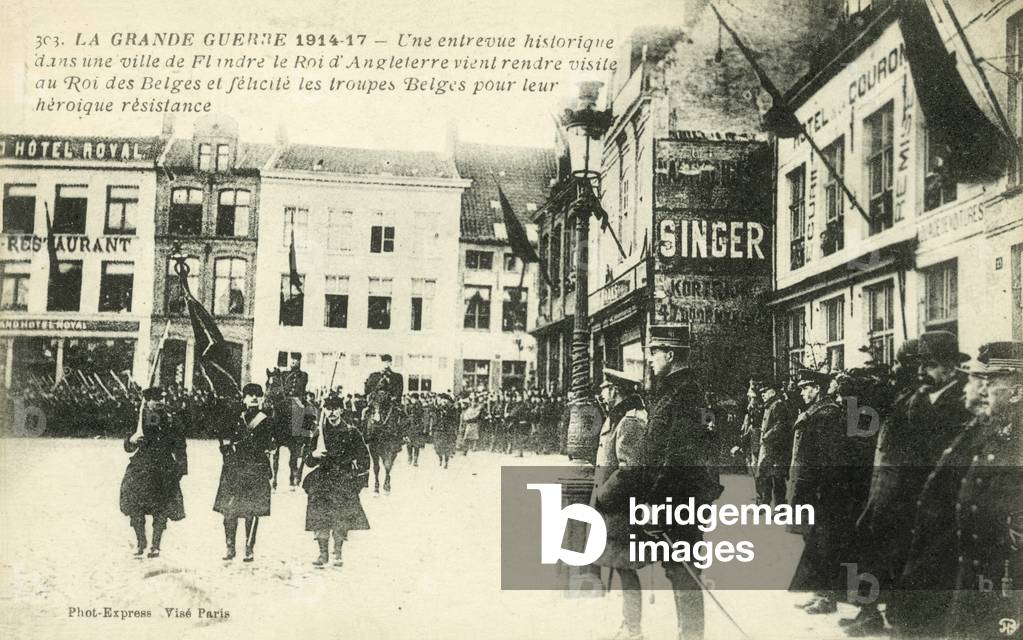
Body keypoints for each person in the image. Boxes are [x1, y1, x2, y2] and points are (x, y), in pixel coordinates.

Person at [636, 324, 719, 640]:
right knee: (680, 571)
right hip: (683, 497)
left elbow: (677, 457)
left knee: (683, 572)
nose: (651, 360)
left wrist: (654, 503)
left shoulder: (684, 394)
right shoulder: (683, 391)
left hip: (679, 499)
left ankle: (691, 636)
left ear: (670, 354)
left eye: (654, 353)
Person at [843, 339, 923, 635]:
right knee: (872, 549)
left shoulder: (913, 398)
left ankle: (879, 613)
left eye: (905, 364)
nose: (900, 369)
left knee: (885, 552)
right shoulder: (897, 393)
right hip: (883, 483)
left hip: (897, 487)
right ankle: (870, 611)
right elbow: (861, 426)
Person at [945, 341, 1023, 639]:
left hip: (1008, 576)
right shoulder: (994, 430)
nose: (982, 390)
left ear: (1016, 391)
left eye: (991, 383)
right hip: (979, 570)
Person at [591, 368, 649, 640]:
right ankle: (628, 624)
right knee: (621, 569)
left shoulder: (629, 422)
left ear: (615, 390)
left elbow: (631, 469)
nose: (601, 394)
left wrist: (604, 494)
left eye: (604, 389)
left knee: (626, 571)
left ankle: (633, 629)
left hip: (623, 511)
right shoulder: (617, 419)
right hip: (614, 511)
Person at [787, 367, 848, 615]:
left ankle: (827, 597)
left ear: (818, 389)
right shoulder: (814, 412)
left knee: (825, 544)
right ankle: (819, 592)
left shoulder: (827, 414)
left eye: (807, 388)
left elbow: (828, 459)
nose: (803, 392)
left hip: (819, 491)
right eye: (801, 388)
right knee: (812, 542)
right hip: (806, 489)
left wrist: (821, 491)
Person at [302, 395, 371, 568]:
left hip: (343, 479)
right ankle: (323, 553)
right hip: (322, 479)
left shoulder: (351, 431)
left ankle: (338, 552)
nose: (332, 412)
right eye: (328, 408)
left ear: (341, 410)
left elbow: (364, 457)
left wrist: (359, 482)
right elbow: (307, 460)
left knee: (341, 518)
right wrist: (314, 455)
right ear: (324, 410)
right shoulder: (318, 433)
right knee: (320, 516)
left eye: (335, 408)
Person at [119, 387, 187, 559]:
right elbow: (128, 446)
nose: (159, 402)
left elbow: (180, 445)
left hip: (163, 468)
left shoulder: (171, 420)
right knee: (135, 506)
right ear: (147, 401)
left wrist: (180, 468)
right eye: (155, 399)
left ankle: (155, 545)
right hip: (141, 467)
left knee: (161, 509)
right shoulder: (138, 419)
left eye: (162, 398)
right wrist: (132, 440)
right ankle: (141, 542)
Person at [213, 383, 274, 562]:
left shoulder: (266, 419)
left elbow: (269, 443)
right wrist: (226, 448)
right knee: (229, 510)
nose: (254, 398)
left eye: (257, 395)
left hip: (256, 468)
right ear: (244, 398)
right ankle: (230, 546)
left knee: (252, 511)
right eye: (250, 395)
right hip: (234, 468)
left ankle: (249, 548)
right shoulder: (234, 417)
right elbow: (223, 436)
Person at [755, 379, 797, 508]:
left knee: (777, 478)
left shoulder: (777, 405)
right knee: (766, 477)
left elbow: (781, 424)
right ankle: (765, 504)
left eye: (765, 392)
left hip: (776, 448)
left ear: (772, 392)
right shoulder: (770, 405)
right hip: (770, 448)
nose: (763, 395)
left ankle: (779, 507)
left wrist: (767, 436)